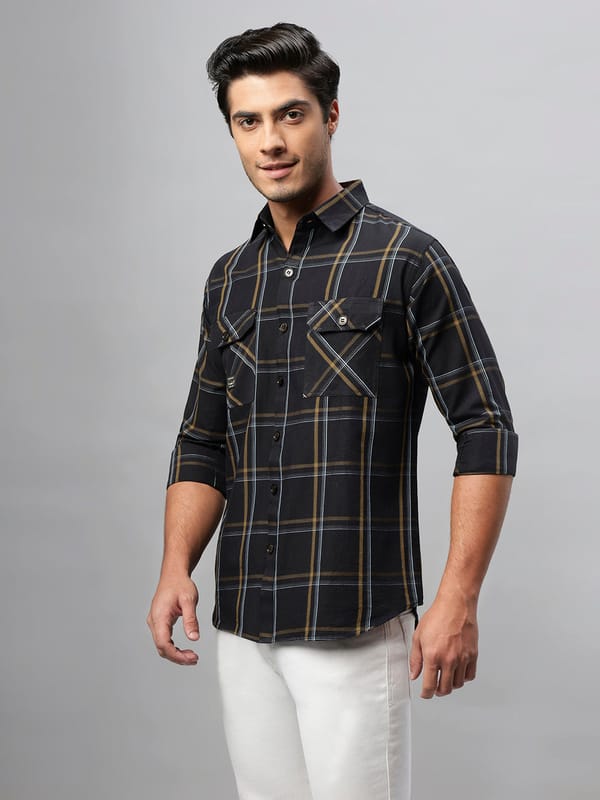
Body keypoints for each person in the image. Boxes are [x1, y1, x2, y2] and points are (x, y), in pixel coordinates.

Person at [147, 22, 518, 800]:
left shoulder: (405, 258)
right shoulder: (229, 279)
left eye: (291, 114)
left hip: (352, 623)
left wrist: (458, 596)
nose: (271, 141)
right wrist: (175, 566)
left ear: (331, 115)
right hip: (244, 626)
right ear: (232, 132)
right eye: (248, 121)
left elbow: (486, 428)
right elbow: (202, 441)